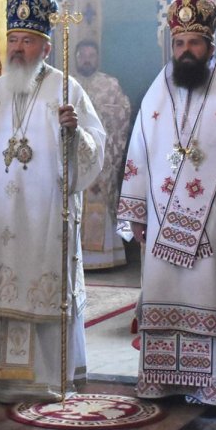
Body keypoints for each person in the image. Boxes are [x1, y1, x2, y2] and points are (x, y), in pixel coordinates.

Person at [0, 0, 106, 402]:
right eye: (13, 39)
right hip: (2, 216)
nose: (18, 48)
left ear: (46, 46)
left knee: (43, 286)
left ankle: (51, 378)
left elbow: (94, 148)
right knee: (0, 286)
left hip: (45, 214)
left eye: (27, 41)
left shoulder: (66, 89)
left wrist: (75, 133)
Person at [117, 0, 216, 408]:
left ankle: (212, 385)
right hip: (161, 231)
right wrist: (135, 213)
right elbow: (138, 157)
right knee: (163, 297)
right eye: (179, 42)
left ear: (210, 47)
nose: (186, 50)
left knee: (208, 298)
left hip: (210, 233)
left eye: (194, 43)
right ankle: (162, 381)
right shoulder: (154, 97)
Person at [74, 39, 132, 270]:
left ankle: (105, 258)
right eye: (83, 55)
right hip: (74, 157)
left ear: (98, 58)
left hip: (102, 156)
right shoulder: (68, 84)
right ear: (76, 58)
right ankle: (74, 257)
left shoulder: (110, 85)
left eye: (91, 55)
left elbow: (122, 117)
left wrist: (110, 154)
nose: (87, 59)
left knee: (99, 199)